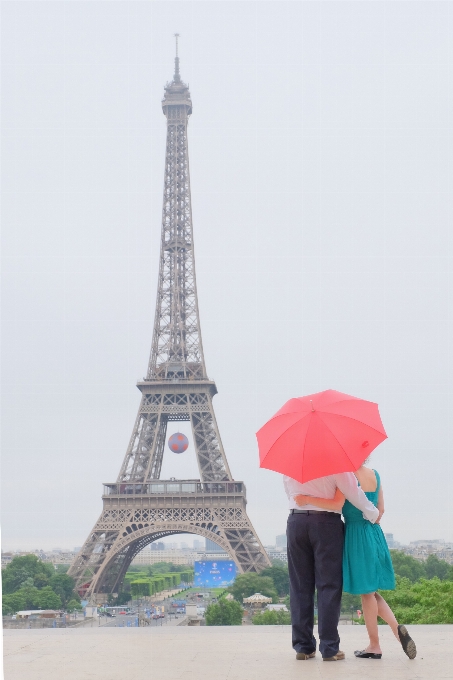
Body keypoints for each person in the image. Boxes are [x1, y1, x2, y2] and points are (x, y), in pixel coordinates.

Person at [295, 464, 416, 660]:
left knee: (367, 594)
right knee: (371, 590)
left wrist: (306, 500)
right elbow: (381, 509)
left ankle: (374, 645)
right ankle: (396, 629)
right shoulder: (375, 474)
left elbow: (336, 504)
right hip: (375, 534)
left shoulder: (347, 475)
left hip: (356, 536)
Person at [285, 471, 379, 661]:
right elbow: (354, 492)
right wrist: (372, 512)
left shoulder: (292, 464)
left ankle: (303, 647)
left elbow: (290, 494)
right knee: (329, 586)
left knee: (299, 587)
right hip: (326, 523)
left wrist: (306, 501)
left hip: (296, 521)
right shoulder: (336, 464)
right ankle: (329, 648)